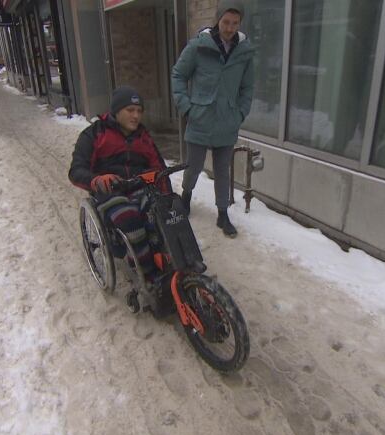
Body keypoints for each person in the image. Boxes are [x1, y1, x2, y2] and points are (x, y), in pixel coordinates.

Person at [69, 86, 170, 284]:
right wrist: (96, 180)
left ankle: (164, 257)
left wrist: (167, 199)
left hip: (140, 187)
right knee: (129, 217)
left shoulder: (144, 137)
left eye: (139, 111)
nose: (136, 116)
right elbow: (75, 171)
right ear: (117, 110)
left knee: (161, 212)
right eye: (130, 110)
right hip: (109, 191)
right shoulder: (93, 134)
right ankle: (147, 275)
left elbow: (160, 170)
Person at [171, 0, 254, 238]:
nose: (229, 27)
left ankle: (222, 213)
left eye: (234, 23)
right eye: (226, 22)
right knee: (194, 166)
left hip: (227, 121)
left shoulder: (244, 52)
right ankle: (186, 197)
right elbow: (178, 74)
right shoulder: (199, 46)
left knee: (222, 171)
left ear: (240, 24)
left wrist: (240, 113)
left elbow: (248, 87)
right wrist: (186, 108)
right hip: (200, 119)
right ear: (218, 20)